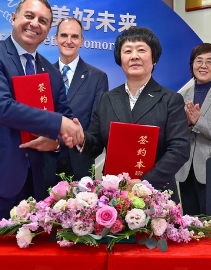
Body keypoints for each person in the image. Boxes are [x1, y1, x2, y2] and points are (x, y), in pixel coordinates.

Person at [0, 0, 84, 220]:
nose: (35, 23)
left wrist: (55, 141)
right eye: (29, 16)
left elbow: (65, 117)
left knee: (27, 254)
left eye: (43, 21)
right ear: (14, 17)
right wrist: (59, 124)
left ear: (47, 32)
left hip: (35, 185)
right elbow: (2, 108)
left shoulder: (51, 72)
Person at [71, 27, 190, 195]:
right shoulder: (107, 99)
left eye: (141, 50)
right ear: (120, 59)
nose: (134, 56)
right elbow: (96, 143)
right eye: (127, 51)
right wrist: (81, 138)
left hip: (156, 193)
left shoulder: (170, 100)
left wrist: (146, 182)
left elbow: (180, 148)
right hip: (113, 194)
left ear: (154, 57)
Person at [44, 17, 109, 187]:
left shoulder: (97, 77)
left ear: (82, 41)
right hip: (46, 161)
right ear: (55, 39)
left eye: (74, 36)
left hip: (80, 163)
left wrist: (80, 139)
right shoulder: (42, 74)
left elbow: (98, 125)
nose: (69, 41)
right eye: (64, 35)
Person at [175, 43, 211, 214]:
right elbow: (174, 134)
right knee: (189, 223)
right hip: (185, 168)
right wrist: (186, 124)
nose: (203, 66)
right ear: (192, 64)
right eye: (198, 60)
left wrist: (199, 122)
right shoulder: (180, 97)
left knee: (210, 223)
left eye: (209, 61)